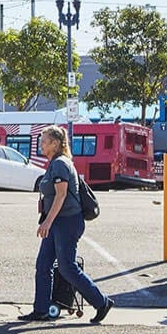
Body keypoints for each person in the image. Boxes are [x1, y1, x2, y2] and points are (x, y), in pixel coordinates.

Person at [19, 125, 114, 323]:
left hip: (66, 222)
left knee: (67, 267)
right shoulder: (55, 163)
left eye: (44, 141)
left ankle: (101, 302)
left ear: (54, 143)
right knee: (43, 265)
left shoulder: (61, 164)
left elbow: (61, 196)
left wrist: (47, 222)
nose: (41, 144)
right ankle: (41, 310)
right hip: (57, 222)